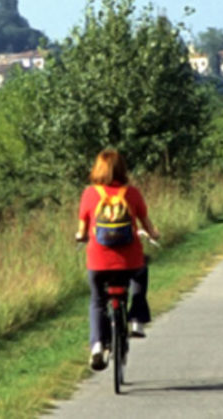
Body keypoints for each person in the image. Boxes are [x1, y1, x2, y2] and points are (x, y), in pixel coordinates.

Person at [75, 149, 160, 371]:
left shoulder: (89, 194)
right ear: (122, 168)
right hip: (130, 260)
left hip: (98, 262)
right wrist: (153, 235)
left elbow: (82, 230)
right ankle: (136, 320)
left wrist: (81, 237)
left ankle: (96, 346)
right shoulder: (131, 193)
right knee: (141, 273)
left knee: (97, 300)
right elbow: (147, 225)